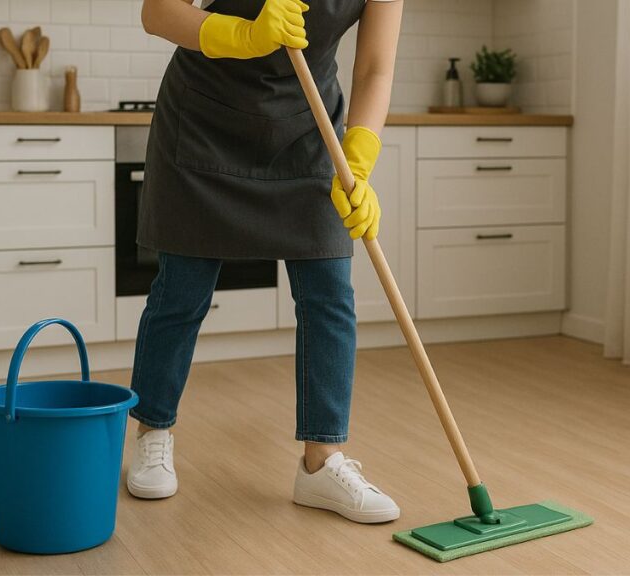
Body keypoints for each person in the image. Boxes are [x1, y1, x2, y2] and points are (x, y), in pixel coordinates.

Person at [127, 0, 404, 524]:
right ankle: (153, 430)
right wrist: (244, 34)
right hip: (204, 118)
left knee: (329, 292)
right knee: (182, 290)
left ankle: (321, 462)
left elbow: (375, 69)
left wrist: (361, 155)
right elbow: (158, 13)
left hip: (309, 129)